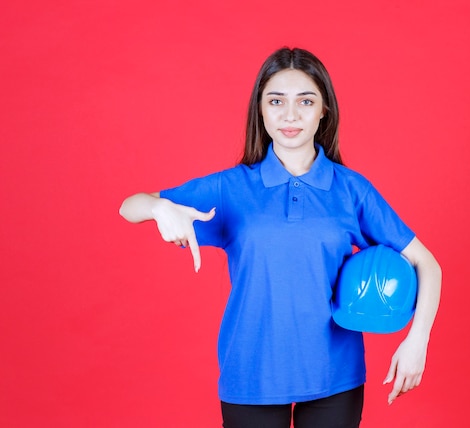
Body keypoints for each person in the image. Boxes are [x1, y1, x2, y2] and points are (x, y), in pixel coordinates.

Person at [119, 47, 442, 428]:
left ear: (324, 110)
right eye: (276, 101)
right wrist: (159, 209)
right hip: (250, 372)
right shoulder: (232, 187)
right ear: (261, 109)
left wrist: (416, 343)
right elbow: (130, 206)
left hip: (334, 374)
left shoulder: (351, 189)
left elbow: (428, 264)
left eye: (306, 101)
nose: (290, 115)